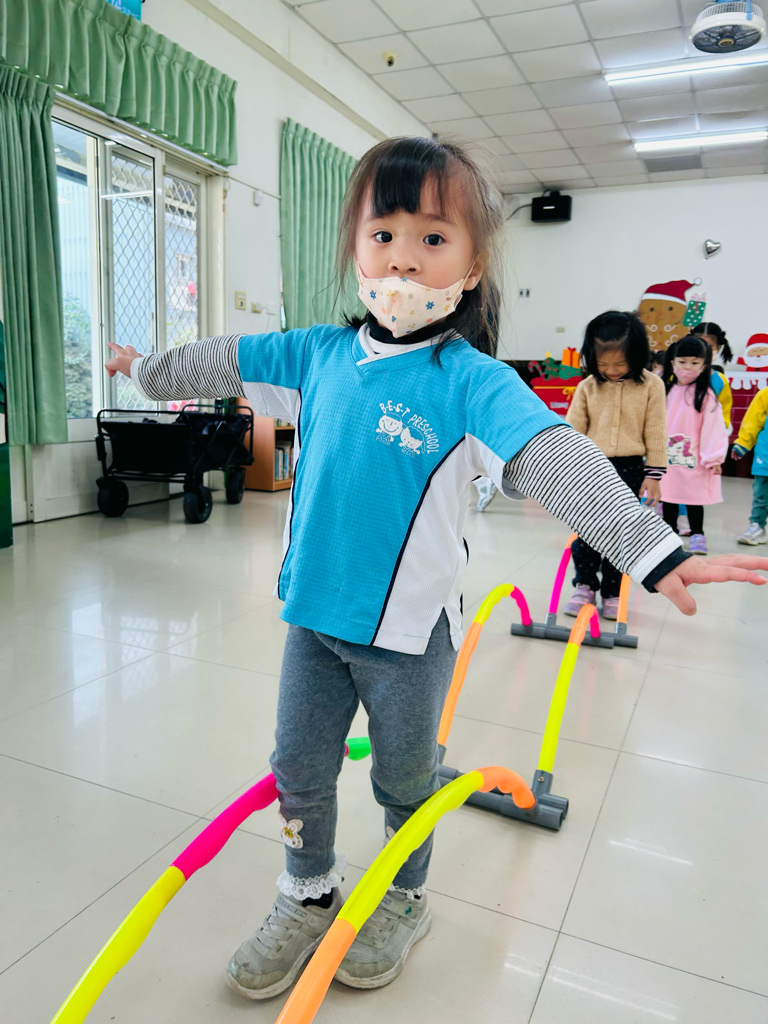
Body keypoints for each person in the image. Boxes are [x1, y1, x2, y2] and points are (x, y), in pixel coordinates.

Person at [105, 137, 767, 1002]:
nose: (403, 259)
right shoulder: (316, 354)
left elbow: (555, 456)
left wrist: (650, 547)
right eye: (382, 234)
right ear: (355, 249)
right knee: (298, 771)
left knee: (405, 781)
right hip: (312, 621)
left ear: (473, 263)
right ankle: (308, 890)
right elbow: (227, 357)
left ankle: (405, 897)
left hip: (408, 640)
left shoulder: (471, 382)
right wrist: (146, 371)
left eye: (432, 237)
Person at [564, 311, 668, 619]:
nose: (611, 371)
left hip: (630, 469)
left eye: (620, 364)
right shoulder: (587, 387)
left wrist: (654, 476)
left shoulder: (651, 385)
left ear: (637, 354)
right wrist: (570, 471)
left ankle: (613, 591)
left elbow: (656, 430)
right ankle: (585, 585)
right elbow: (573, 430)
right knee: (587, 530)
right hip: (591, 468)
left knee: (621, 532)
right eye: (603, 364)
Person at [660, 336, 729, 555]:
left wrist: (713, 457)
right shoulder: (665, 390)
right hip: (666, 455)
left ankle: (697, 534)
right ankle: (670, 536)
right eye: (682, 362)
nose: (687, 367)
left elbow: (714, 428)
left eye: (694, 362)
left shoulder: (705, 395)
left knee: (693, 498)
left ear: (704, 365)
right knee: (668, 496)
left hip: (695, 457)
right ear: (673, 362)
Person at [732, 385, 768, 545]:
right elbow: (752, 421)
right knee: (761, 496)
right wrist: (743, 443)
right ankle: (757, 526)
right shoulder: (765, 394)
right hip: (766, 456)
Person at [691, 321, 733, 430]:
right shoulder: (676, 375)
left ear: (718, 348)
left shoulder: (720, 380)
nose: (704, 350)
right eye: (699, 344)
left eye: (710, 346)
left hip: (709, 432)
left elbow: (724, 413)